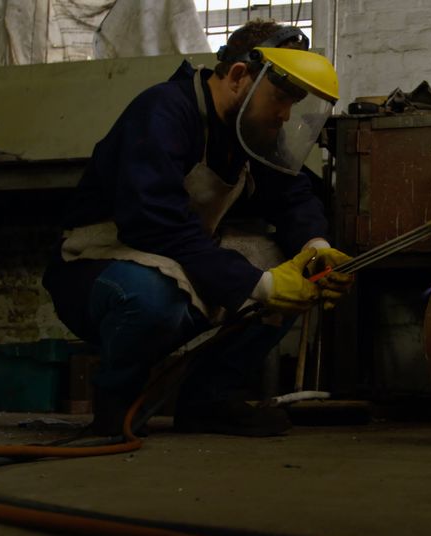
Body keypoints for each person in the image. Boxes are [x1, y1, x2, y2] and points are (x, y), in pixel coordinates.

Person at [42, 20, 354, 437]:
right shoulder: (163, 110)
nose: (284, 114)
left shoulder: (252, 130)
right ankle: (116, 404)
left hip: (176, 252)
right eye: (280, 98)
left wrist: (315, 249)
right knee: (153, 298)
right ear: (240, 76)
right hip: (99, 261)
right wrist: (258, 285)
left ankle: (209, 400)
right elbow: (152, 221)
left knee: (290, 271)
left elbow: (294, 196)